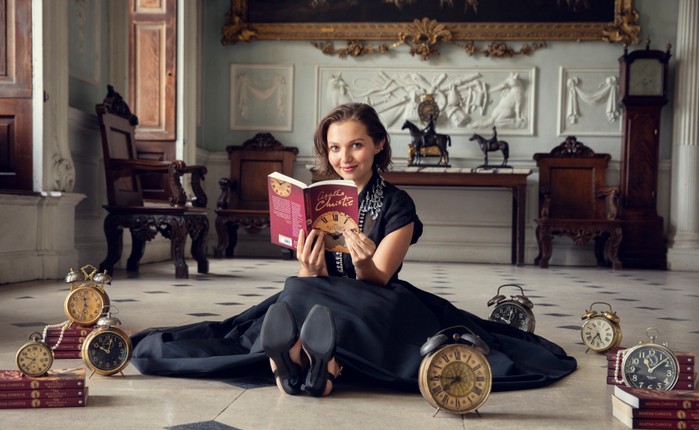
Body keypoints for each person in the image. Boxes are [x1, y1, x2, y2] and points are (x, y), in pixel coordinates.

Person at [130, 103, 576, 397]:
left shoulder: (398, 204)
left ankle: (304, 360)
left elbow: (380, 277)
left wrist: (363, 260)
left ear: (378, 144)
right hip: (319, 294)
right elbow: (312, 279)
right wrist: (308, 267)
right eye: (336, 147)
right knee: (296, 289)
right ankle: (315, 366)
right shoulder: (318, 198)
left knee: (311, 302)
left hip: (379, 299)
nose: (346, 157)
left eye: (357, 145)